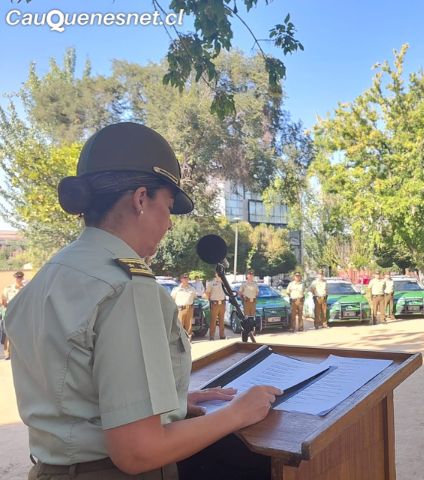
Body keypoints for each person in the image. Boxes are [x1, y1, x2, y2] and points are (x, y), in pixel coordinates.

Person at [4, 122, 280, 479]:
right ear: (140, 199)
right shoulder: (126, 286)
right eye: (167, 206)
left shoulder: (50, 275)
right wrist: (238, 413)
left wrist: (170, 406)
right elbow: (138, 451)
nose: (169, 225)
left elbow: (77, 401)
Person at [1, 270, 25, 359]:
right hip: (10, 314)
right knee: (7, 333)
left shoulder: (25, 289)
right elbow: (3, 302)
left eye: (20, 277)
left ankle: (18, 353)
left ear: (22, 278)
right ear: (15, 278)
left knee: (20, 333)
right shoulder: (8, 289)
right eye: (17, 277)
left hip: (21, 314)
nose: (19, 279)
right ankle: (7, 353)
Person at [172, 273, 197, 338]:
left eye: (187, 278)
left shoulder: (192, 289)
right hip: (180, 309)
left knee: (189, 325)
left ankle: (188, 338)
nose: (186, 280)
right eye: (184, 278)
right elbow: (172, 299)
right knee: (180, 325)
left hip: (189, 308)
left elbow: (195, 297)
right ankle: (180, 339)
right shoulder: (176, 289)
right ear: (181, 279)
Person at [204, 273, 226, 340]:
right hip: (214, 304)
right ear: (215, 274)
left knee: (222, 320)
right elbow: (207, 293)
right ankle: (212, 336)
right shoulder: (211, 283)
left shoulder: (224, 282)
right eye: (217, 273)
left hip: (222, 303)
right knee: (213, 320)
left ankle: (222, 335)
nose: (219, 274)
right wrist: (210, 300)